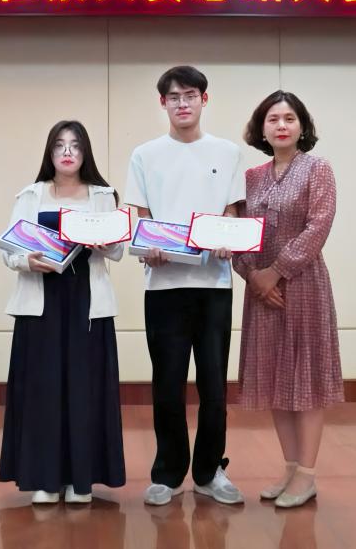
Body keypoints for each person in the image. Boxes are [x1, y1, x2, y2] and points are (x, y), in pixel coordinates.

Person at [124, 65, 247, 506]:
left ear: (204, 99)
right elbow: (141, 217)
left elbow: (233, 212)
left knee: (214, 385)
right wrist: (149, 246)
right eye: (173, 97)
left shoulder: (228, 152)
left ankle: (211, 472)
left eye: (190, 95)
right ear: (163, 103)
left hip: (214, 285)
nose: (182, 103)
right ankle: (167, 473)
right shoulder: (145, 154)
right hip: (163, 286)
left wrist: (227, 237)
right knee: (167, 384)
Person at [0, 120, 126, 504]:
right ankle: (44, 478)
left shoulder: (103, 195)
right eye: (59, 145)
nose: (67, 152)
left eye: (75, 145)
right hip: (42, 299)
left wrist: (103, 243)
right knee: (42, 388)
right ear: (49, 152)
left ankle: (80, 481)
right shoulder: (31, 195)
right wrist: (25, 261)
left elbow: (118, 250)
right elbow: (9, 249)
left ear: (85, 152)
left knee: (85, 388)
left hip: (87, 300)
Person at [233, 90, 343, 508]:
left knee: (306, 378)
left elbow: (319, 226)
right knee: (274, 376)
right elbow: (237, 231)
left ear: (302, 126)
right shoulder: (251, 177)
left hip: (303, 285)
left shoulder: (318, 169)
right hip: (262, 291)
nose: (281, 125)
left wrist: (276, 271)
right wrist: (253, 275)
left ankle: (308, 475)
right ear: (261, 129)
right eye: (273, 119)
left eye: (290, 118)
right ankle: (291, 467)